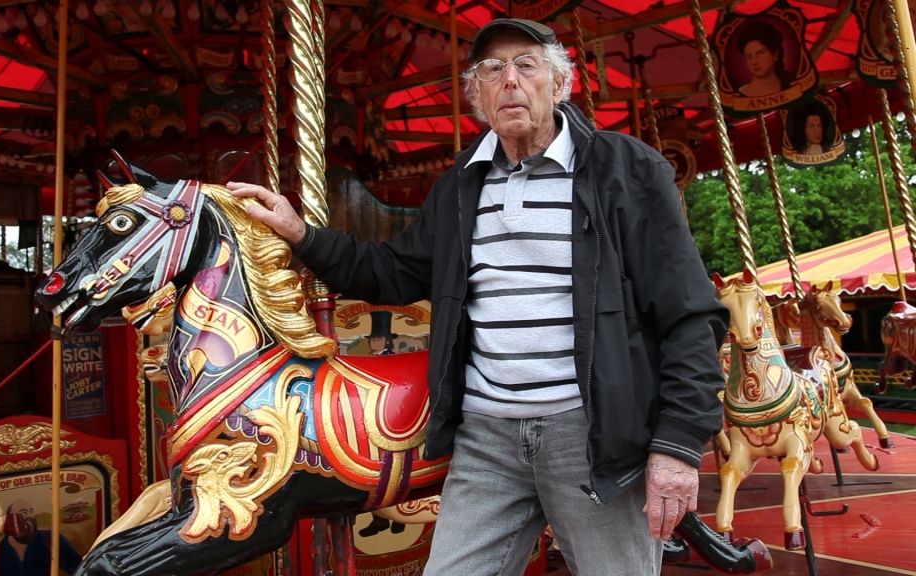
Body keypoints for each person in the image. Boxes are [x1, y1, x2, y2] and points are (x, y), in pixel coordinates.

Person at [229, 17, 727, 575]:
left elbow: (690, 313)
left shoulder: (625, 170)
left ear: (559, 85)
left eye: (526, 66)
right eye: (492, 70)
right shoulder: (461, 186)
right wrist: (302, 235)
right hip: (487, 438)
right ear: (478, 97)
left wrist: (679, 442)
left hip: (591, 436)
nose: (509, 80)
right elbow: (392, 273)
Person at [0, 499, 82, 576]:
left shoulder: (53, 540)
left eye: (31, 511)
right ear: (9, 521)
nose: (29, 516)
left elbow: (80, 569)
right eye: (23, 512)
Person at [734, 21, 793, 97]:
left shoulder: (791, 86)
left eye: (760, 53)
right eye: (749, 57)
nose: (754, 62)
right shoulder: (739, 95)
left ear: (775, 54)